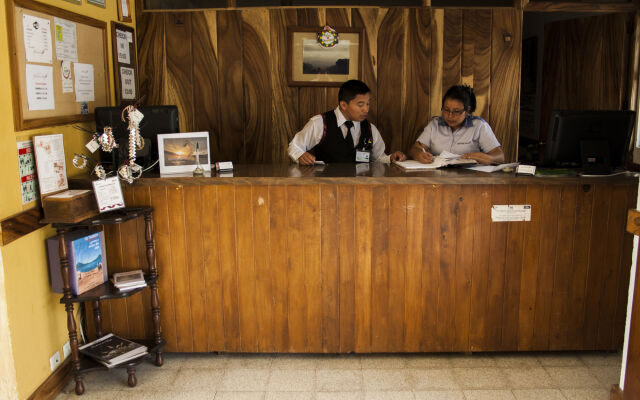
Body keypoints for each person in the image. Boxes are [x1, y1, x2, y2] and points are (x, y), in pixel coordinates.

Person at [288, 80, 406, 165]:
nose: (366, 109)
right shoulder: (320, 123)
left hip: (361, 189)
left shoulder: (370, 129)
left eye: (368, 103)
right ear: (343, 105)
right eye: (360, 104)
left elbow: (378, 158)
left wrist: (391, 158)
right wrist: (300, 155)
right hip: (326, 188)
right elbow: (294, 146)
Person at [408, 85, 505, 165]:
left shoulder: (479, 126)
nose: (450, 116)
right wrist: (418, 154)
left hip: (470, 178)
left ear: (468, 110)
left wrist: (480, 157)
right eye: (446, 110)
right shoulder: (435, 124)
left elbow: (500, 157)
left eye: (456, 111)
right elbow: (415, 149)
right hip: (437, 176)